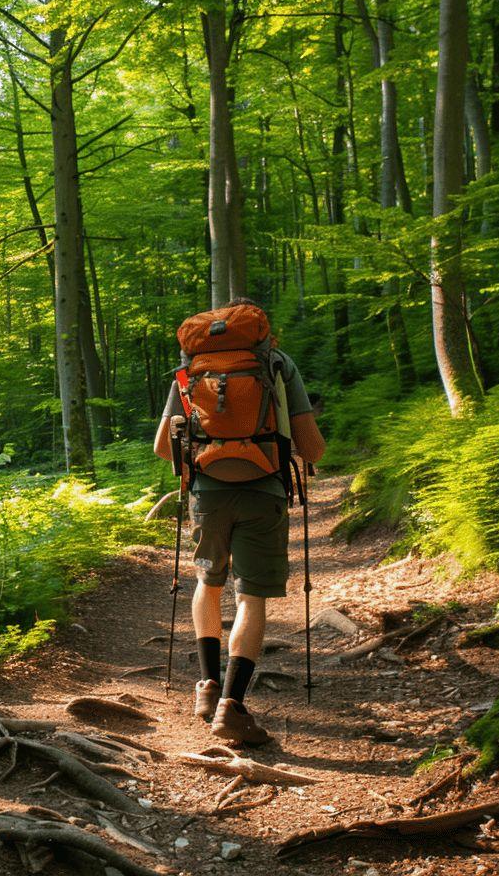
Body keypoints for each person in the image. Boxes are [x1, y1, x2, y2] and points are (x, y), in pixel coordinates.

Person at [153, 298, 326, 745]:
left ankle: (208, 688)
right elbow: (312, 447)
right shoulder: (277, 364)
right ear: (262, 331)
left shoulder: (193, 367)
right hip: (263, 492)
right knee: (251, 598)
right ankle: (233, 708)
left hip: (207, 492)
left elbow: (161, 448)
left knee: (207, 583)